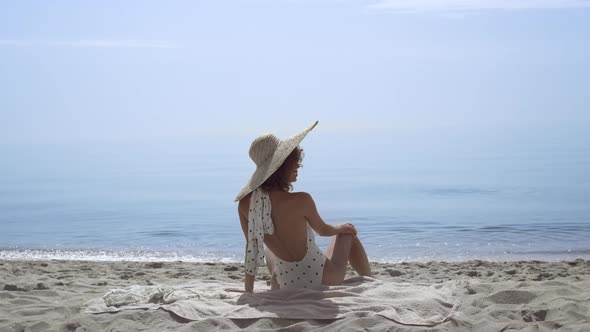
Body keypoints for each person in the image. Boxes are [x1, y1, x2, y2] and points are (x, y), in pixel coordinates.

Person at [235, 121, 371, 293]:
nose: (298, 165)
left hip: (284, 283)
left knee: (268, 247)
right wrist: (340, 228)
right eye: (293, 161)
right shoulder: (302, 200)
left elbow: (252, 248)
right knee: (347, 233)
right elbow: (323, 231)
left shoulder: (245, 204)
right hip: (322, 278)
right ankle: (370, 279)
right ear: (280, 166)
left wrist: (249, 291)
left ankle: (277, 276)